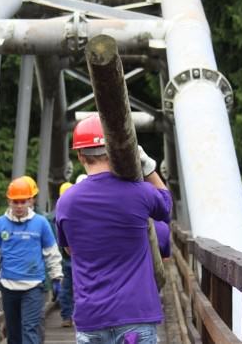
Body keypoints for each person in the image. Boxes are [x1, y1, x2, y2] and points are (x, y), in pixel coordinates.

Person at [55, 115, 172, 344]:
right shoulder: (138, 192)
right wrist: (147, 168)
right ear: (115, 150)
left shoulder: (66, 202)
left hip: (91, 317)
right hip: (135, 314)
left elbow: (69, 249)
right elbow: (165, 207)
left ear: (80, 156)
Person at [0, 177, 63, 344]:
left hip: (33, 286)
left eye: (23, 201)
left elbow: (51, 252)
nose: (19, 206)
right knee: (13, 333)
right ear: (9, 201)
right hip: (7, 286)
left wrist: (57, 277)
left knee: (30, 329)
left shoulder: (41, 223)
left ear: (31, 200)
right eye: (15, 202)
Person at [57, 181, 75, 328]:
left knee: (67, 289)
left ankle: (67, 316)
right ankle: (73, 315)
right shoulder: (79, 211)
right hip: (75, 258)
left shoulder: (56, 214)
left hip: (66, 258)